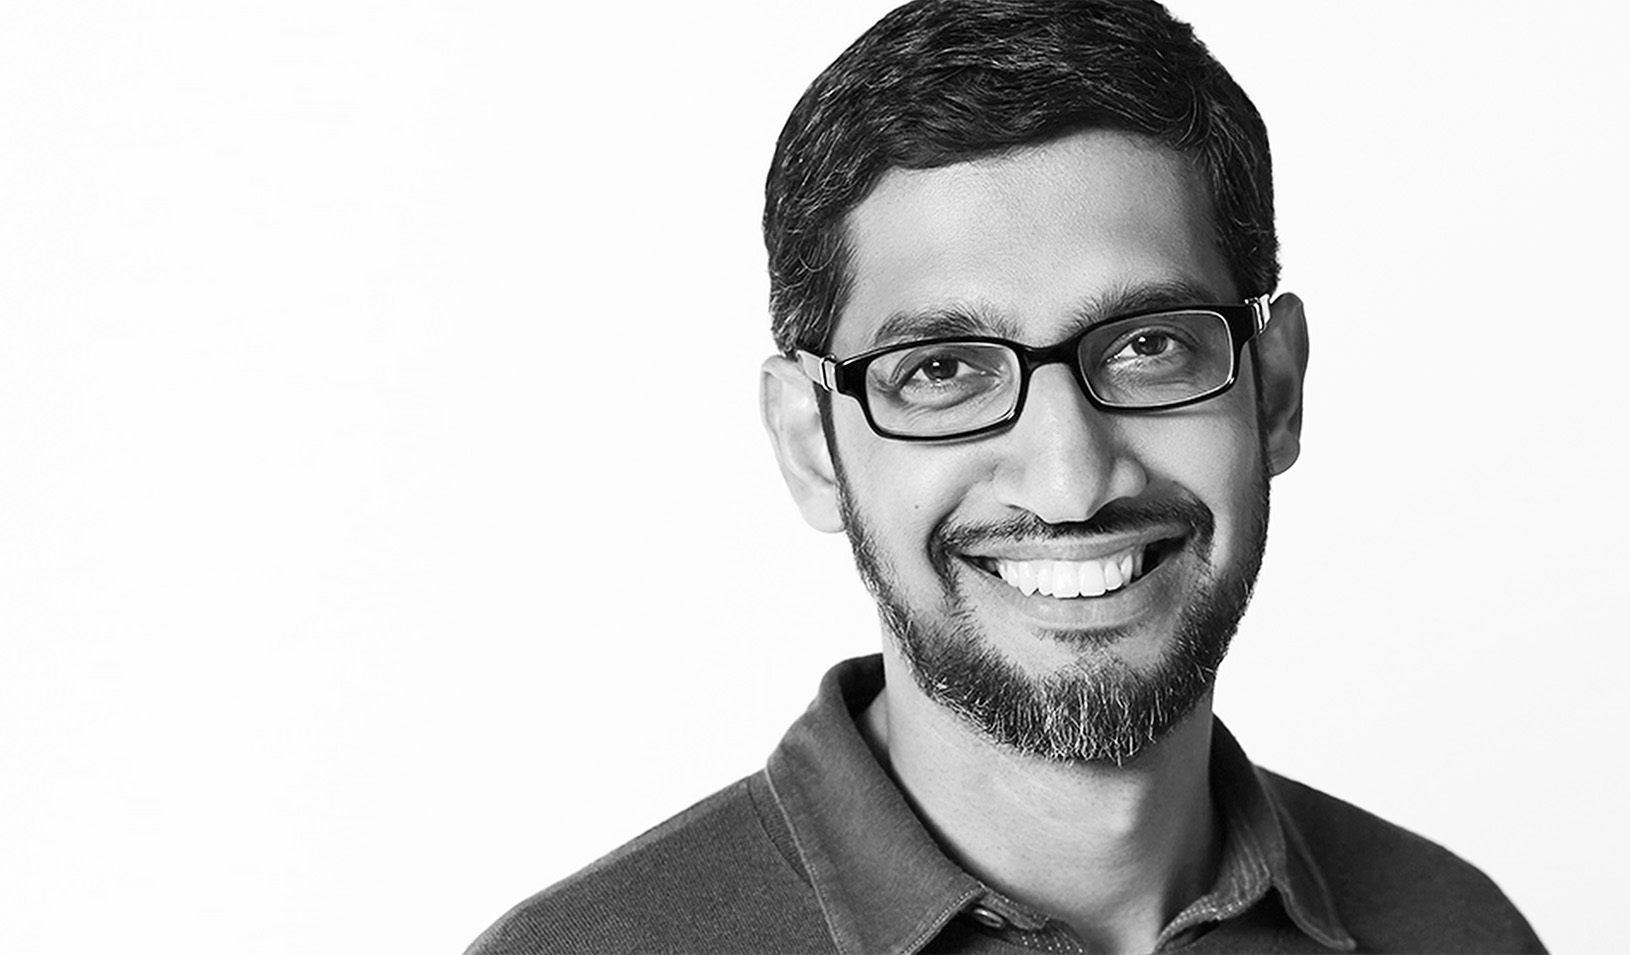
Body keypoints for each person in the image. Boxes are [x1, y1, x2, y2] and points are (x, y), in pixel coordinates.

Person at [466, 1, 1544, 952]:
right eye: (941, 370)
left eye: (1148, 345)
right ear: (809, 443)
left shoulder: (1458, 929)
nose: (1070, 479)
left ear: (1271, 392)